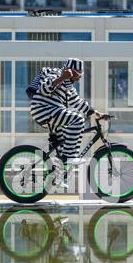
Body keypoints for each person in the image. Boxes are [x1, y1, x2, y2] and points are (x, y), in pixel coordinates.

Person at [30, 58, 108, 187]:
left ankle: (58, 177)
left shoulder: (68, 85)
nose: (79, 78)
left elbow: (76, 102)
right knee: (77, 119)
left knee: (63, 145)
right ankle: (68, 157)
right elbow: (43, 89)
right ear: (71, 71)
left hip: (53, 113)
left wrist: (96, 113)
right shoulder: (56, 74)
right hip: (43, 110)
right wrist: (61, 77)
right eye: (78, 74)